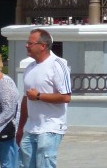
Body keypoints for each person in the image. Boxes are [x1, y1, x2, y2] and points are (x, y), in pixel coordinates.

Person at [17, 28, 72, 168]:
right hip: (31, 128)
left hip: (51, 127)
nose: (26, 45)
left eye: (30, 43)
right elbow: (26, 99)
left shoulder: (57, 65)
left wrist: (39, 96)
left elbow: (66, 97)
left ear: (43, 46)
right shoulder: (29, 68)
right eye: (27, 42)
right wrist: (21, 127)